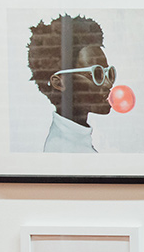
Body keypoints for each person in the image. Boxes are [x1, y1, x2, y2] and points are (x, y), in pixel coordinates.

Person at [26, 14, 115, 152]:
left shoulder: (76, 141)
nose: (108, 84)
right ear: (59, 83)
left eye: (109, 73)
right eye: (97, 74)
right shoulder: (64, 149)